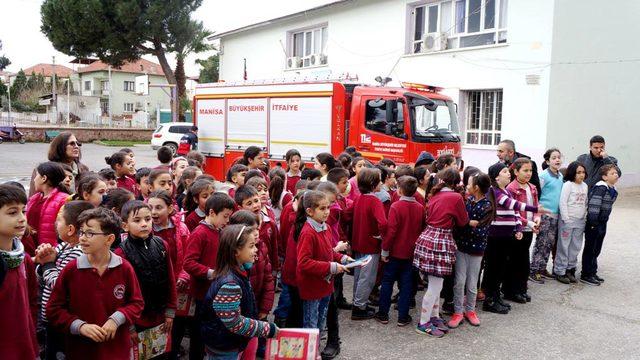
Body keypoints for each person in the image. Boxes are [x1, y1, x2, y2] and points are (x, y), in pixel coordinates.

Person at [47, 207, 144, 360]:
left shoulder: (124, 268)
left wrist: (116, 319)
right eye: (82, 232)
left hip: (116, 349)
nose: (82, 238)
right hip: (81, 350)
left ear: (109, 239)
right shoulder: (72, 269)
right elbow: (53, 309)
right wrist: (79, 326)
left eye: (90, 233)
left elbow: (136, 303)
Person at [200, 224, 279, 359]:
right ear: (236, 251)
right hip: (224, 346)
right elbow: (233, 322)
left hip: (227, 342)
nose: (255, 250)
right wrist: (267, 329)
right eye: (251, 246)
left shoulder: (237, 271)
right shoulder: (230, 284)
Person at [413, 168, 469, 337]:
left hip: (428, 237)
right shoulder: (456, 197)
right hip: (441, 240)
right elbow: (463, 221)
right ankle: (423, 323)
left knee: (435, 284)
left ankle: (434, 316)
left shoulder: (434, 194)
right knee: (435, 286)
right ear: (455, 182)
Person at [35, 200, 94, 360]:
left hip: (63, 321)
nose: (55, 223)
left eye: (59, 219)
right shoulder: (63, 246)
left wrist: (47, 264)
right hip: (51, 319)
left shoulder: (77, 253)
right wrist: (43, 261)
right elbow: (41, 275)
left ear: (70, 229)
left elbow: (58, 285)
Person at [482, 163, 541, 315]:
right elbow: (513, 204)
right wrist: (535, 209)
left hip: (505, 236)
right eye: (505, 171)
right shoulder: (494, 192)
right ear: (496, 177)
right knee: (493, 268)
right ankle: (490, 300)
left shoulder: (504, 191)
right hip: (495, 236)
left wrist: (519, 227)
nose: (509, 174)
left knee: (501, 267)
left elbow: (514, 212)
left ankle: (496, 296)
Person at [183, 192, 235, 359]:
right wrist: (210, 273)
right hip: (202, 293)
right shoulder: (200, 233)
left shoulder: (219, 230)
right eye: (225, 216)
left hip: (215, 291)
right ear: (212, 213)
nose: (227, 221)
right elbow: (189, 263)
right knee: (199, 333)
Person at [115, 201, 177, 340]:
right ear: (125, 226)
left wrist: (170, 311)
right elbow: (122, 294)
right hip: (138, 319)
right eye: (137, 220)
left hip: (161, 314)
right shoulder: (121, 253)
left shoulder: (161, 244)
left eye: (147, 219)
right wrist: (129, 325)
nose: (144, 224)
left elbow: (170, 279)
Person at [295, 190, 351, 330]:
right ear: (309, 211)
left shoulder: (325, 226)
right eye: (322, 208)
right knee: (311, 324)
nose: (327, 212)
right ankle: (311, 351)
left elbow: (328, 252)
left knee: (321, 320)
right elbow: (304, 263)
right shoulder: (308, 233)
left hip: (325, 284)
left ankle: (316, 346)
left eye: (328, 207)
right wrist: (331, 267)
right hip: (312, 286)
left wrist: (343, 258)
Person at [376, 176, 425, 327]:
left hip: (394, 252)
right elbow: (422, 229)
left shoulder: (396, 206)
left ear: (400, 190)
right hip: (411, 253)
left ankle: (383, 314)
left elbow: (391, 232)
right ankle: (403, 317)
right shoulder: (420, 208)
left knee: (387, 282)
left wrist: (384, 251)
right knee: (407, 284)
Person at [448, 173, 493, 328]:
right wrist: (469, 224)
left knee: (472, 282)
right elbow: (459, 225)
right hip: (461, 248)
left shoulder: (487, 206)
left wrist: (466, 225)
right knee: (459, 281)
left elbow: (481, 230)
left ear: (476, 188)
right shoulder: (467, 201)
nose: (466, 186)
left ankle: (470, 310)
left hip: (477, 250)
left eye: (468, 184)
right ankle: (458, 311)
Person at [0, 184, 39, 360]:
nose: (22, 218)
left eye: (23, 211)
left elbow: (31, 301)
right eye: (12, 212)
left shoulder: (24, 259)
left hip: (24, 344)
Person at [346, 167, 387, 320]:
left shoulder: (358, 198)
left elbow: (346, 215)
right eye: (379, 180)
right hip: (371, 244)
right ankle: (359, 307)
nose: (381, 183)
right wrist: (381, 236)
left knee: (358, 275)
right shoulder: (375, 201)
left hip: (358, 242)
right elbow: (383, 222)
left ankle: (359, 303)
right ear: (373, 184)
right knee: (367, 278)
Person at [505, 158, 540, 302]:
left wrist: (537, 218)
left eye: (530, 170)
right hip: (517, 229)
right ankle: (511, 291)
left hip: (529, 229)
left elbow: (536, 207)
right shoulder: (511, 189)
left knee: (524, 261)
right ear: (515, 171)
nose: (528, 173)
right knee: (514, 260)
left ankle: (521, 289)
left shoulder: (532, 187)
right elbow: (514, 212)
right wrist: (529, 222)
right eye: (525, 170)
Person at [580, 164, 619, 285]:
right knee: (590, 248)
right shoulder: (600, 188)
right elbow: (594, 206)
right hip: (594, 223)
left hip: (602, 223)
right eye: (612, 173)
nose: (616, 175)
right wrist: (593, 222)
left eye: (616, 173)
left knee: (597, 248)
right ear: (604, 177)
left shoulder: (612, 188)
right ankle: (586, 274)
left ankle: (592, 271)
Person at [530, 148, 563, 283]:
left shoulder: (560, 176)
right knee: (541, 242)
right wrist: (537, 212)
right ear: (547, 161)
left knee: (549, 243)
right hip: (544, 215)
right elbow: (537, 194)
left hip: (556, 215)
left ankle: (542, 268)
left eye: (559, 157)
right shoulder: (544, 176)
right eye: (554, 157)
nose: (557, 160)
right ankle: (534, 270)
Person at [554, 161, 588, 284]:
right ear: (572, 173)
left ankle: (570, 269)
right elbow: (563, 202)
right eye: (578, 172)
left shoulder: (585, 186)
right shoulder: (568, 185)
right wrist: (566, 218)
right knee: (564, 246)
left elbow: (585, 203)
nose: (581, 175)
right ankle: (560, 271)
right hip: (567, 221)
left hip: (580, 221)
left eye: (583, 172)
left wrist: (584, 217)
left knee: (575, 246)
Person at [29, 132, 89, 197]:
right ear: (60, 147)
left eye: (77, 143)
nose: (76, 146)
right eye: (72, 143)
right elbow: (33, 196)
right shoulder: (45, 169)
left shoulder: (83, 169)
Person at [26, 162, 70, 247]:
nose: (34, 179)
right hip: (30, 247)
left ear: (44, 178)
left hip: (49, 250)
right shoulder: (34, 198)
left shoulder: (63, 200)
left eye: (36, 176)